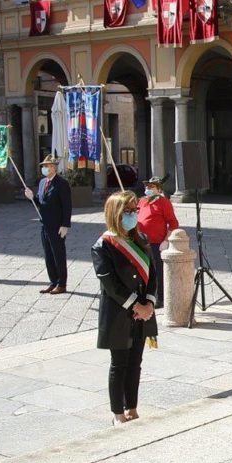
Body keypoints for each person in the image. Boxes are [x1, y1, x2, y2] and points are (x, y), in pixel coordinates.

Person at [92, 191, 158, 425]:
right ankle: (118, 413)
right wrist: (136, 305)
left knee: (135, 363)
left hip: (142, 313)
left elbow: (152, 275)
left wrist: (149, 303)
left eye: (134, 211)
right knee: (119, 364)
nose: (132, 215)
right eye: (127, 211)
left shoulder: (140, 239)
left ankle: (132, 407)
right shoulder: (103, 245)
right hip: (119, 313)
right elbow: (110, 283)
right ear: (115, 214)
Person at [25, 155, 72, 294]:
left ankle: (62, 284)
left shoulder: (61, 183)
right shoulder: (42, 182)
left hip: (57, 225)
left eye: (46, 166)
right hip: (45, 224)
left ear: (53, 167)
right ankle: (53, 281)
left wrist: (65, 224)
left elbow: (67, 206)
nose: (44, 168)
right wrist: (31, 197)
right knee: (48, 255)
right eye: (43, 166)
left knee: (58, 255)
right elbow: (40, 202)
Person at [136, 176, 180, 308]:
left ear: (159, 189)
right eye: (147, 186)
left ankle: (160, 297)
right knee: (143, 271)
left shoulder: (164, 202)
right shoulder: (142, 201)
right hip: (141, 241)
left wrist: (166, 241)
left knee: (157, 272)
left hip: (156, 243)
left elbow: (173, 223)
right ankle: (144, 295)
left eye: (151, 186)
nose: (148, 188)